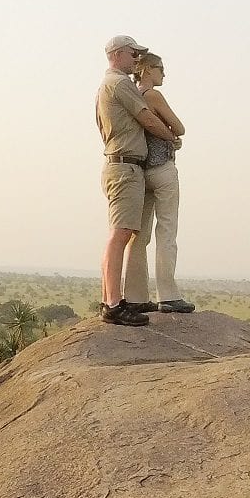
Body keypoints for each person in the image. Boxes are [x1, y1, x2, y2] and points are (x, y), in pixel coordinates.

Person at [95, 34, 179, 326]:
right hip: (125, 166)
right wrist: (171, 138)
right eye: (133, 54)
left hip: (122, 165)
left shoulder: (109, 85)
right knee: (121, 235)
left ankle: (115, 299)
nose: (137, 59)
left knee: (123, 235)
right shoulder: (119, 83)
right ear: (118, 54)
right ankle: (113, 304)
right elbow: (149, 119)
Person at [123, 52, 195, 314]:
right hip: (162, 168)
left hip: (140, 171)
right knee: (166, 231)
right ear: (147, 69)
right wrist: (172, 135)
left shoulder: (130, 96)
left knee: (138, 236)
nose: (164, 74)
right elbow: (180, 127)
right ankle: (168, 294)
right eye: (160, 69)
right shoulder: (151, 95)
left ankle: (134, 296)